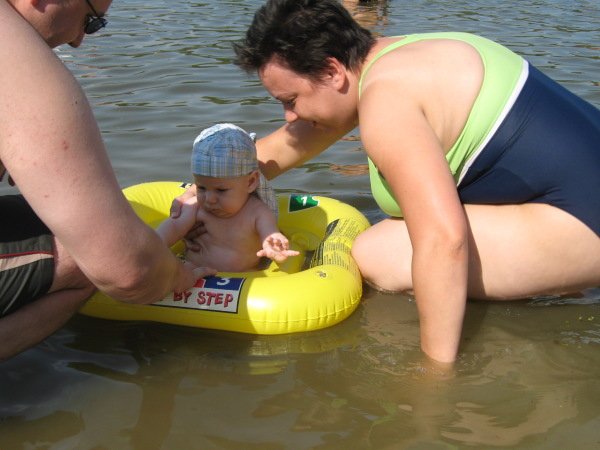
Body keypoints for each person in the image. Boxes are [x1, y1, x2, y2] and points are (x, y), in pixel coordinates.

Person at [210, 0, 598, 364]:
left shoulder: (386, 103)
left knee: (377, 252)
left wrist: (434, 375)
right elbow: (289, 143)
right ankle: (558, 283)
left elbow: (444, 241)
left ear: (331, 71)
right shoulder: (402, 55)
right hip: (577, 198)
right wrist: (205, 191)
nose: (289, 116)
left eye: (291, 100)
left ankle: (551, 294)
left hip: (586, 224)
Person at [0, 0, 213, 360]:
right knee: (90, 259)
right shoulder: (14, 52)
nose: (79, 40)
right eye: (91, 21)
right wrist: (179, 276)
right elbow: (127, 270)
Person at [158, 124, 298, 272]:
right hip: (193, 271)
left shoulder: (257, 212)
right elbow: (173, 227)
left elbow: (269, 233)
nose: (209, 199)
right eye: (201, 188)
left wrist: (274, 246)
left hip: (244, 278)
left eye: (221, 190)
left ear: (250, 182)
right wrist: (153, 246)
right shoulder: (195, 207)